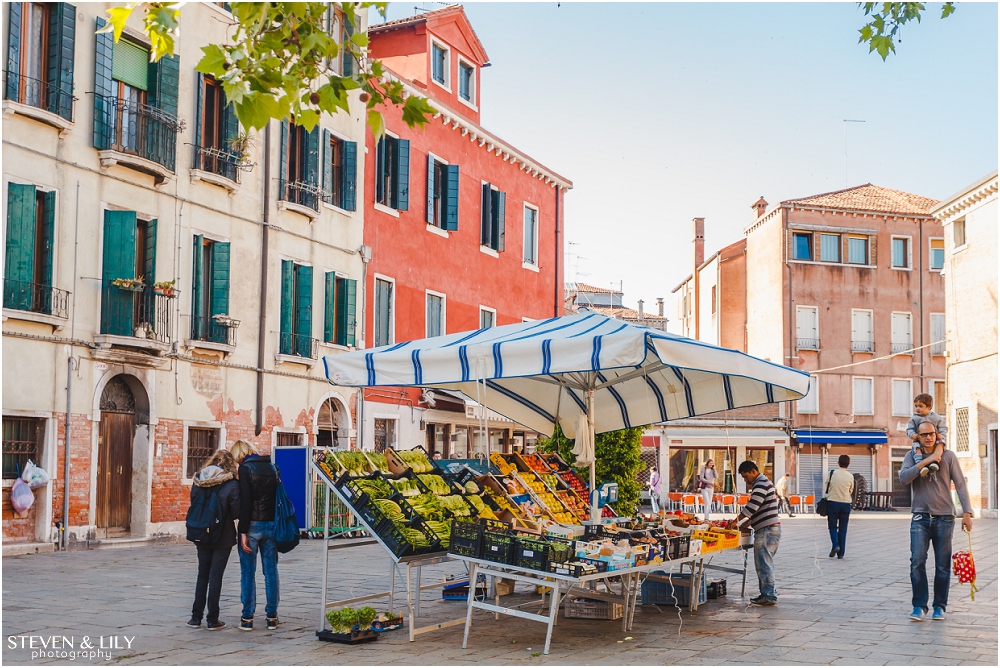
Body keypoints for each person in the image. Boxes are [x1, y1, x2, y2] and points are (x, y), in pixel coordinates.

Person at [900, 419, 973, 622]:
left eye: (932, 433)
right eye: (924, 434)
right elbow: (904, 478)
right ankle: (919, 606)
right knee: (917, 562)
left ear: (937, 434)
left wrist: (967, 512)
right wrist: (924, 462)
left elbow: (960, 484)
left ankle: (939, 606)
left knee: (942, 565)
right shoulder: (911, 456)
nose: (929, 437)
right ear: (918, 437)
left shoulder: (948, 456)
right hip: (920, 518)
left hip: (945, 519)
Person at [187, 450, 241, 631]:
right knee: (215, 576)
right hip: (222, 536)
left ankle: (195, 618)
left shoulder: (198, 480)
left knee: (202, 575)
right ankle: (212, 619)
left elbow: (194, 501)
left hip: (200, 532)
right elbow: (236, 512)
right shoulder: (231, 484)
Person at [231, 439, 281, 632]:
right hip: (271, 525)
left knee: (248, 572)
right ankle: (272, 617)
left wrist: (242, 531)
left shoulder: (245, 470)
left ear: (240, 455)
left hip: (251, 526)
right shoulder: (273, 467)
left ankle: (247, 617)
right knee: (270, 572)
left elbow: (246, 503)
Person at [728, 460, 780, 606]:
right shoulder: (764, 482)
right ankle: (769, 592)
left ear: (753, 471)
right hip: (770, 528)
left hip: (766, 530)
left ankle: (768, 595)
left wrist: (735, 521)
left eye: (745, 476)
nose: (745, 480)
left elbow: (752, 507)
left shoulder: (761, 484)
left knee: (764, 564)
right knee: (766, 563)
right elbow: (760, 508)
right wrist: (747, 522)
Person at [906, 393, 948, 477]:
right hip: (919, 440)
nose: (917, 409)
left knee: (940, 445)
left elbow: (943, 427)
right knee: (916, 448)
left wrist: (941, 436)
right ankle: (921, 466)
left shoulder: (936, 417)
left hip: (935, 440)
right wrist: (913, 435)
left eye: (920, 406)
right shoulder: (914, 418)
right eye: (916, 406)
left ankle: (935, 462)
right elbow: (909, 429)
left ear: (929, 407)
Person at [826, 455, 855, 559]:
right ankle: (841, 553)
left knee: (832, 526)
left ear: (838, 463)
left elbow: (827, 487)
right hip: (846, 503)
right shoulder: (850, 476)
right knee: (843, 529)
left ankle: (835, 545)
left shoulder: (832, 473)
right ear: (848, 463)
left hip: (833, 502)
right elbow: (851, 490)